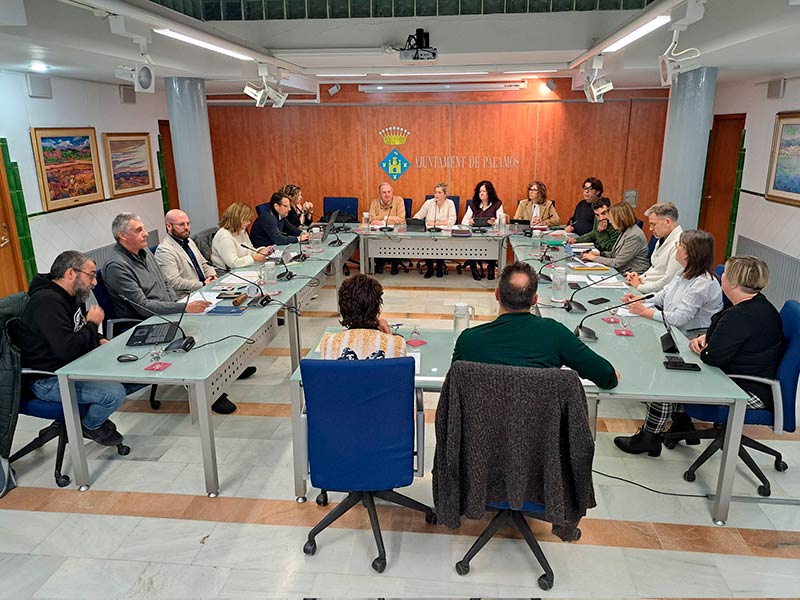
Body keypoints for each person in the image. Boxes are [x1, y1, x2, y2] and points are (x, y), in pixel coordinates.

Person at [614, 255, 781, 456]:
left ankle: (649, 438)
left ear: (734, 282)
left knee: (666, 377)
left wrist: (702, 347)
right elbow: (728, 339)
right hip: (750, 378)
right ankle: (681, 425)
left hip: (745, 389)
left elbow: (711, 357)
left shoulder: (739, 316)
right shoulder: (758, 305)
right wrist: (706, 338)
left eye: (726, 273)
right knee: (675, 368)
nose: (722, 276)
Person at [103, 213, 239, 415]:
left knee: (213, 323)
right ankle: (210, 392)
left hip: (166, 310)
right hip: (142, 322)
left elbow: (165, 284)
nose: (145, 233)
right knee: (195, 339)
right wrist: (182, 309)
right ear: (122, 236)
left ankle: (228, 370)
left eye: (143, 228)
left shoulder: (144, 251)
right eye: (138, 230)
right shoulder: (117, 266)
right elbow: (143, 306)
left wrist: (177, 305)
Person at [14, 251, 140, 444]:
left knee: (137, 374)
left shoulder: (73, 296)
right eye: (91, 275)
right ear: (71, 273)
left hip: (75, 365)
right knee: (113, 393)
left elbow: (78, 328)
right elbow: (66, 348)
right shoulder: (46, 302)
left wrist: (97, 339)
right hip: (49, 379)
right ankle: (89, 426)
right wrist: (92, 325)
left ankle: (89, 418)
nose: (95, 282)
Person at [453, 262, 619, 389]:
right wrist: (611, 375)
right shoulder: (555, 333)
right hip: (541, 432)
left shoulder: (468, 340)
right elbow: (606, 377)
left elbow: (453, 389)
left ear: (497, 295)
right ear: (535, 300)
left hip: (481, 431)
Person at [622, 229, 722, 336]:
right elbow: (663, 295)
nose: (676, 247)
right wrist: (641, 299)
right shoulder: (683, 271)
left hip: (689, 338)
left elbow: (680, 318)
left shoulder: (704, 283)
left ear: (688, 254)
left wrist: (644, 311)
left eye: (679, 245)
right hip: (672, 329)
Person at [319, 274, 406, 360]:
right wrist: (389, 336)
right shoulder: (398, 343)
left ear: (343, 308)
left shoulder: (327, 342)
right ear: (378, 308)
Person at [155, 209, 217, 298]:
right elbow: (174, 282)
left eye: (188, 224)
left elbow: (203, 263)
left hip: (205, 289)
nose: (186, 227)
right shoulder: (164, 250)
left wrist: (212, 275)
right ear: (169, 226)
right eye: (181, 224)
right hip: (187, 296)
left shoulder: (189, 242)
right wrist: (202, 284)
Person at [625, 202, 683, 294]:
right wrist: (639, 278)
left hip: (657, 295)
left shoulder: (679, 245)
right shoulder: (662, 237)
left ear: (667, 221)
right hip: (647, 288)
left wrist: (639, 286)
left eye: (653, 224)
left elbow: (668, 282)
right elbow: (655, 269)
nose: (650, 229)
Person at [581, 202, 650, 274]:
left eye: (612, 219)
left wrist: (593, 258)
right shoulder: (625, 231)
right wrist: (600, 254)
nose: (610, 221)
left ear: (620, 219)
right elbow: (615, 254)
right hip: (623, 271)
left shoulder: (634, 236)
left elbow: (617, 262)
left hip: (634, 274)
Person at [462, 180, 504, 281]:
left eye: (484, 191)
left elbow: (502, 221)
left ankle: (491, 269)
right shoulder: (473, 205)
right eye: (480, 191)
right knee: (470, 246)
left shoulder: (497, 204)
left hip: (490, 237)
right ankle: (474, 270)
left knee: (493, 245)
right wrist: (470, 221)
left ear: (489, 192)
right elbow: (463, 221)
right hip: (475, 236)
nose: (481, 193)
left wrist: (495, 222)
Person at [414, 182, 457, 278]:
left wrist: (436, 224)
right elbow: (418, 215)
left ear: (445, 194)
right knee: (427, 244)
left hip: (443, 233)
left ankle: (439, 267)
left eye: (439, 192)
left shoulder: (450, 203)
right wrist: (416, 221)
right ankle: (429, 269)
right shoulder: (429, 203)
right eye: (435, 192)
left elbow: (452, 220)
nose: (436, 195)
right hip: (429, 233)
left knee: (441, 244)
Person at [211, 202, 272, 270]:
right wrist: (253, 258)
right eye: (247, 220)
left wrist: (260, 251)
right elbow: (233, 263)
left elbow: (249, 249)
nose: (249, 223)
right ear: (238, 219)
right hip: (227, 272)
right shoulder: (225, 237)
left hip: (241, 268)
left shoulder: (241, 230)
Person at [369, 182, 407, 275]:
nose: (387, 195)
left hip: (397, 232)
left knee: (396, 240)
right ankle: (379, 263)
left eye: (389, 192)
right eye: (384, 192)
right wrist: (392, 218)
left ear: (392, 192)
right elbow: (372, 219)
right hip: (380, 233)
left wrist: (383, 220)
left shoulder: (399, 200)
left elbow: (401, 219)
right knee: (375, 240)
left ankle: (395, 264)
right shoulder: (374, 202)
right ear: (380, 194)